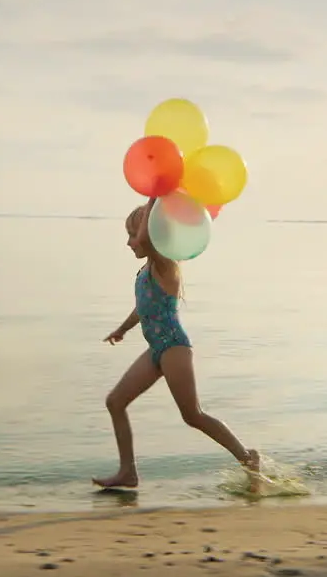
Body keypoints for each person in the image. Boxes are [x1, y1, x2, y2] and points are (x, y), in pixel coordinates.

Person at [93, 198, 263, 492]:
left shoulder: (165, 265)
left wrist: (154, 196)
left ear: (152, 234)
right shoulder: (145, 272)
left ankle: (247, 457)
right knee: (115, 402)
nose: (130, 242)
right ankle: (128, 472)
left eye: (133, 235)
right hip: (156, 350)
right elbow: (142, 309)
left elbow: (148, 235)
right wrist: (122, 329)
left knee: (192, 415)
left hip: (174, 347)